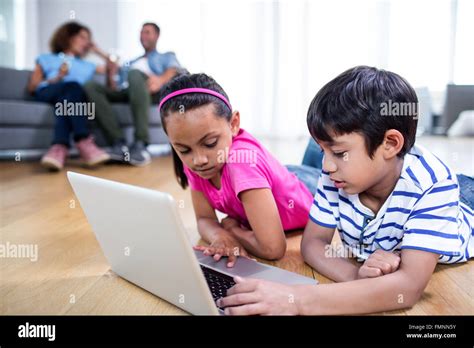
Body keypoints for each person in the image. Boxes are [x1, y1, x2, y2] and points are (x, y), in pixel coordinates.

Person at [217, 66, 474, 315]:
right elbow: (313, 243)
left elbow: (408, 287)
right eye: (323, 151)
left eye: (339, 153)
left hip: (466, 200)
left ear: (390, 143)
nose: (327, 166)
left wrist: (295, 300)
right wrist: (356, 276)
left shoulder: (434, 186)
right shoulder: (336, 174)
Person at [158, 73, 317, 266]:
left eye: (210, 143)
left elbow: (273, 248)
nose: (198, 160)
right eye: (183, 149)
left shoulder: (241, 163)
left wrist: (233, 230)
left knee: (328, 148)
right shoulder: (197, 161)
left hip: (309, 187)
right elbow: (204, 219)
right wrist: (219, 235)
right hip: (280, 178)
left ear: (234, 124)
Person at [84, 22, 183, 166]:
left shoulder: (165, 56)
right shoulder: (131, 62)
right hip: (128, 91)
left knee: (135, 74)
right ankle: (118, 143)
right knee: (91, 86)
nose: (143, 35)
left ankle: (140, 144)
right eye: (141, 32)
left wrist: (160, 80)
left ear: (157, 36)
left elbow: (174, 69)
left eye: (147, 32)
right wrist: (109, 71)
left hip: (152, 91)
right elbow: (115, 82)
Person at [28, 21, 110, 170]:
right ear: (69, 37)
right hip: (48, 90)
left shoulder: (88, 65)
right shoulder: (46, 58)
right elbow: (33, 86)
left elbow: (114, 67)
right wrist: (58, 76)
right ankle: (83, 139)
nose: (86, 42)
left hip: (72, 97)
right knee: (72, 86)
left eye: (88, 39)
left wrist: (98, 51)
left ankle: (59, 147)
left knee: (70, 95)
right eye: (82, 37)